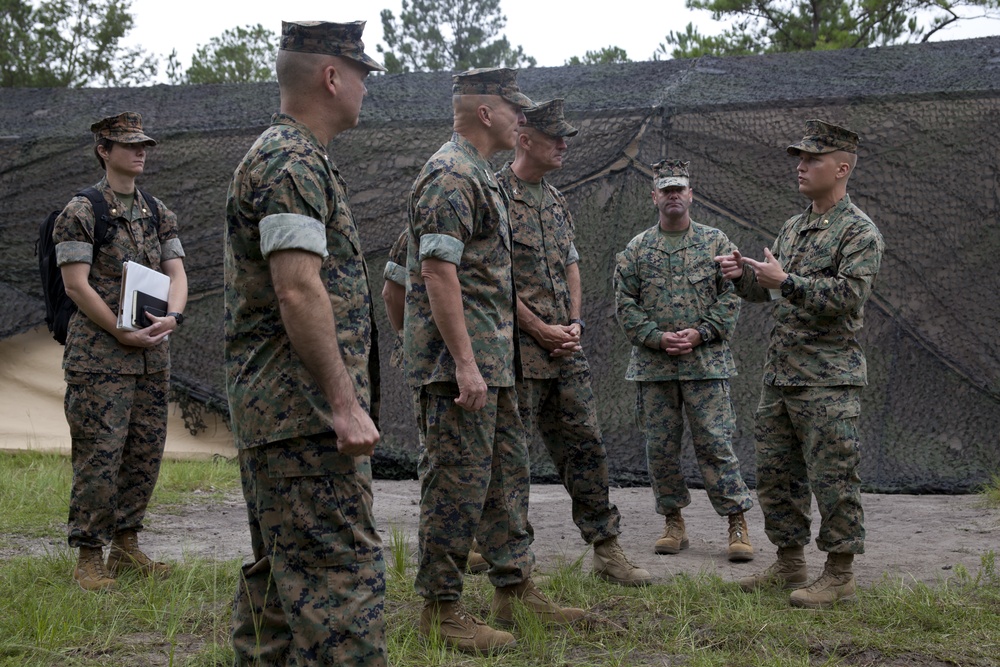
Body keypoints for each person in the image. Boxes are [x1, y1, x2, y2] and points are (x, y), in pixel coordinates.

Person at [403, 67, 586, 654]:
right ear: (487, 112)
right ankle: (441, 607)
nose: (522, 121)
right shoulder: (451, 175)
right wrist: (459, 361)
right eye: (516, 111)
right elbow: (433, 272)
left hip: (494, 362)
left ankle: (515, 587)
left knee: (505, 480)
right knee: (456, 485)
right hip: (466, 370)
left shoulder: (481, 177)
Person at [224, 20, 387, 665]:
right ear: (331, 76)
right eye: (362, 75)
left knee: (281, 577)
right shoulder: (290, 161)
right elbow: (297, 289)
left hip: (282, 413)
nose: (366, 89)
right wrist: (343, 405)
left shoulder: (293, 158)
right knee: (340, 582)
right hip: (304, 415)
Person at [715, 119, 884, 609]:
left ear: (842, 167)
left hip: (828, 379)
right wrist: (741, 277)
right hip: (782, 375)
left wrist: (784, 280)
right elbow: (772, 291)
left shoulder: (859, 232)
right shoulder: (795, 226)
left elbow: (848, 296)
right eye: (800, 158)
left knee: (834, 476)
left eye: (813, 159)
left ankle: (840, 575)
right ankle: (789, 563)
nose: (802, 166)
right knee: (776, 475)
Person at [495, 99, 651, 586]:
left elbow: (571, 264)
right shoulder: (494, 196)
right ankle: (503, 555)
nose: (564, 144)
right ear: (525, 140)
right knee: (510, 458)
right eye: (555, 136)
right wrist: (537, 328)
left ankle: (606, 549)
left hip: (565, 349)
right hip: (518, 353)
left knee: (585, 446)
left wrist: (575, 322)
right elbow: (490, 279)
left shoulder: (556, 200)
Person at [53, 111, 187, 591]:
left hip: (151, 355)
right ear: (103, 151)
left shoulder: (157, 210)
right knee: (100, 455)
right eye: (128, 145)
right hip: (100, 359)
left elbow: (177, 272)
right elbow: (75, 286)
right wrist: (118, 331)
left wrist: (174, 316)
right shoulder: (82, 211)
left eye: (144, 144)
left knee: (143, 453)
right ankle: (89, 557)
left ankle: (126, 546)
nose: (140, 151)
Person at [614, 159, 755, 563]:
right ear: (654, 196)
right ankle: (673, 522)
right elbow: (625, 304)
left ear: (691, 195)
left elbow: (732, 296)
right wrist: (657, 338)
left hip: (706, 367)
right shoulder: (637, 250)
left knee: (715, 443)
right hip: (655, 368)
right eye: (666, 190)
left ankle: (737, 523)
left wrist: (701, 332)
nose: (673, 195)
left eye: (680, 189)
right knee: (660, 448)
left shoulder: (715, 243)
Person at [381, 229, 489, 574]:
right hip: (444, 364)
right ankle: (448, 554)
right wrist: (412, 341)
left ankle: (471, 541)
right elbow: (391, 293)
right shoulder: (422, 232)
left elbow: (390, 293)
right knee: (443, 456)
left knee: (466, 456)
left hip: (474, 362)